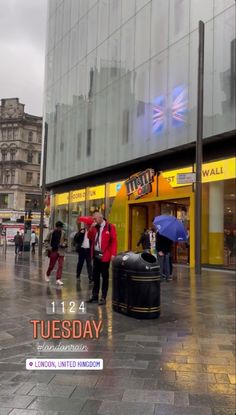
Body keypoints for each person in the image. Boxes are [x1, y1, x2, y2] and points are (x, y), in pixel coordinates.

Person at [87, 212, 117, 305]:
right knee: (95, 276)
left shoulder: (110, 227)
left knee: (104, 276)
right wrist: (91, 228)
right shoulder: (95, 227)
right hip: (96, 255)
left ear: (101, 218)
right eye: (93, 219)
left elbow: (114, 241)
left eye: (95, 219)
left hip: (105, 255)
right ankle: (95, 296)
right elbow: (89, 237)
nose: (94, 221)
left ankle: (103, 297)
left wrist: (113, 253)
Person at [44, 221, 67, 286]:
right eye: (59, 227)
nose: (60, 229)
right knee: (52, 265)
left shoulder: (63, 233)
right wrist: (49, 248)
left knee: (60, 265)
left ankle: (58, 279)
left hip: (61, 251)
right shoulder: (51, 233)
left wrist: (64, 244)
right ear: (57, 227)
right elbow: (46, 241)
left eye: (61, 227)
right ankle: (47, 274)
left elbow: (65, 240)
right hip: (53, 250)